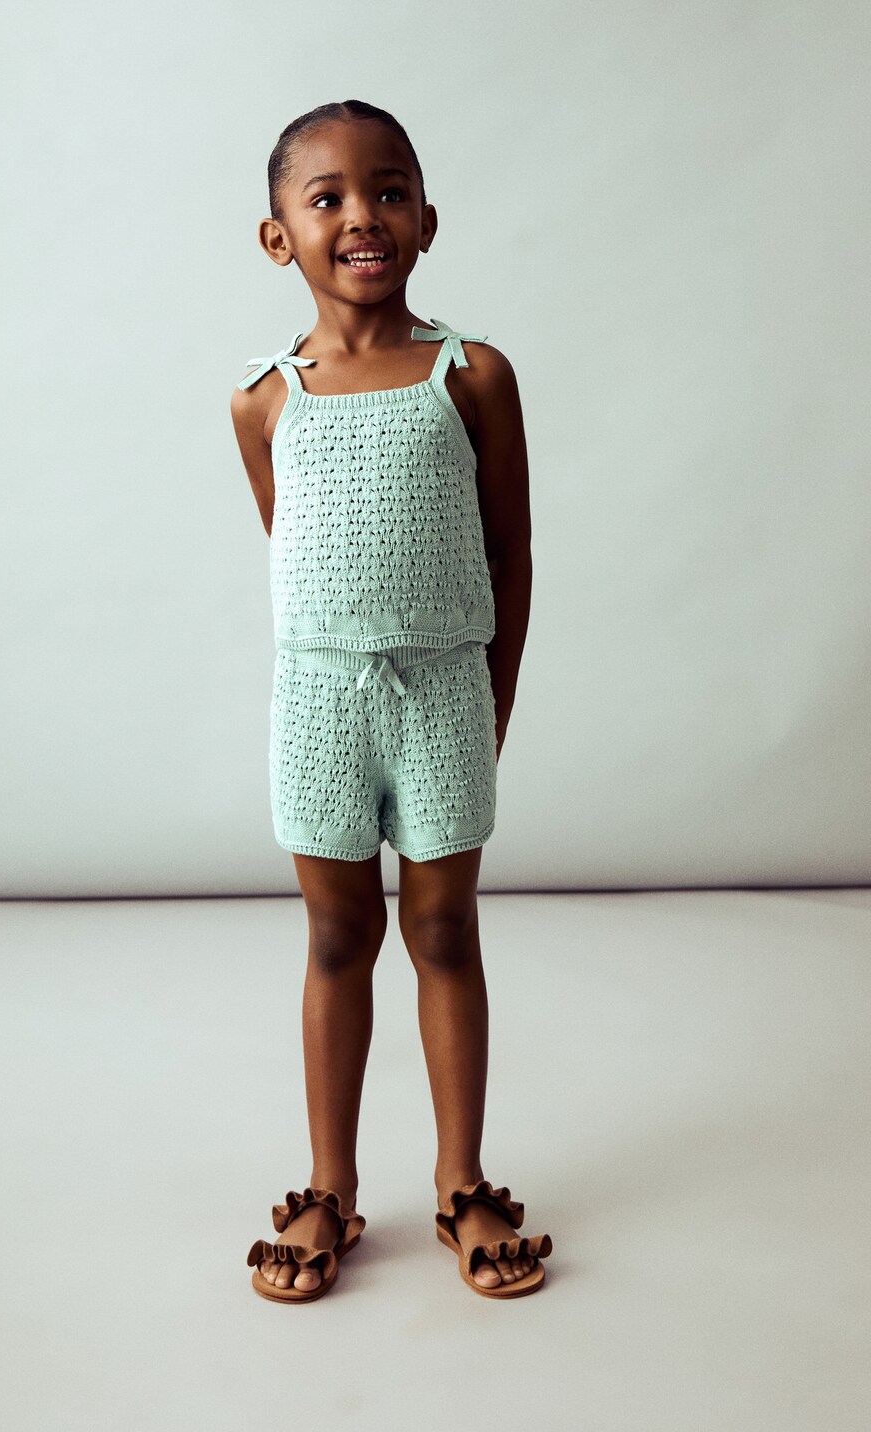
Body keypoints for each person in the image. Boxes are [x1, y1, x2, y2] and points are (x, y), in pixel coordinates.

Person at [230, 100, 550, 1302]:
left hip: (443, 693)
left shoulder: (472, 377)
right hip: (319, 704)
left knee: (444, 930)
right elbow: (293, 547)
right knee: (334, 937)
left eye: (389, 190)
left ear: (425, 219)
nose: (362, 214)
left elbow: (509, 550)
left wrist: (491, 699)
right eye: (327, 198)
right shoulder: (264, 401)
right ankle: (329, 1185)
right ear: (279, 238)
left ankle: (462, 1180)